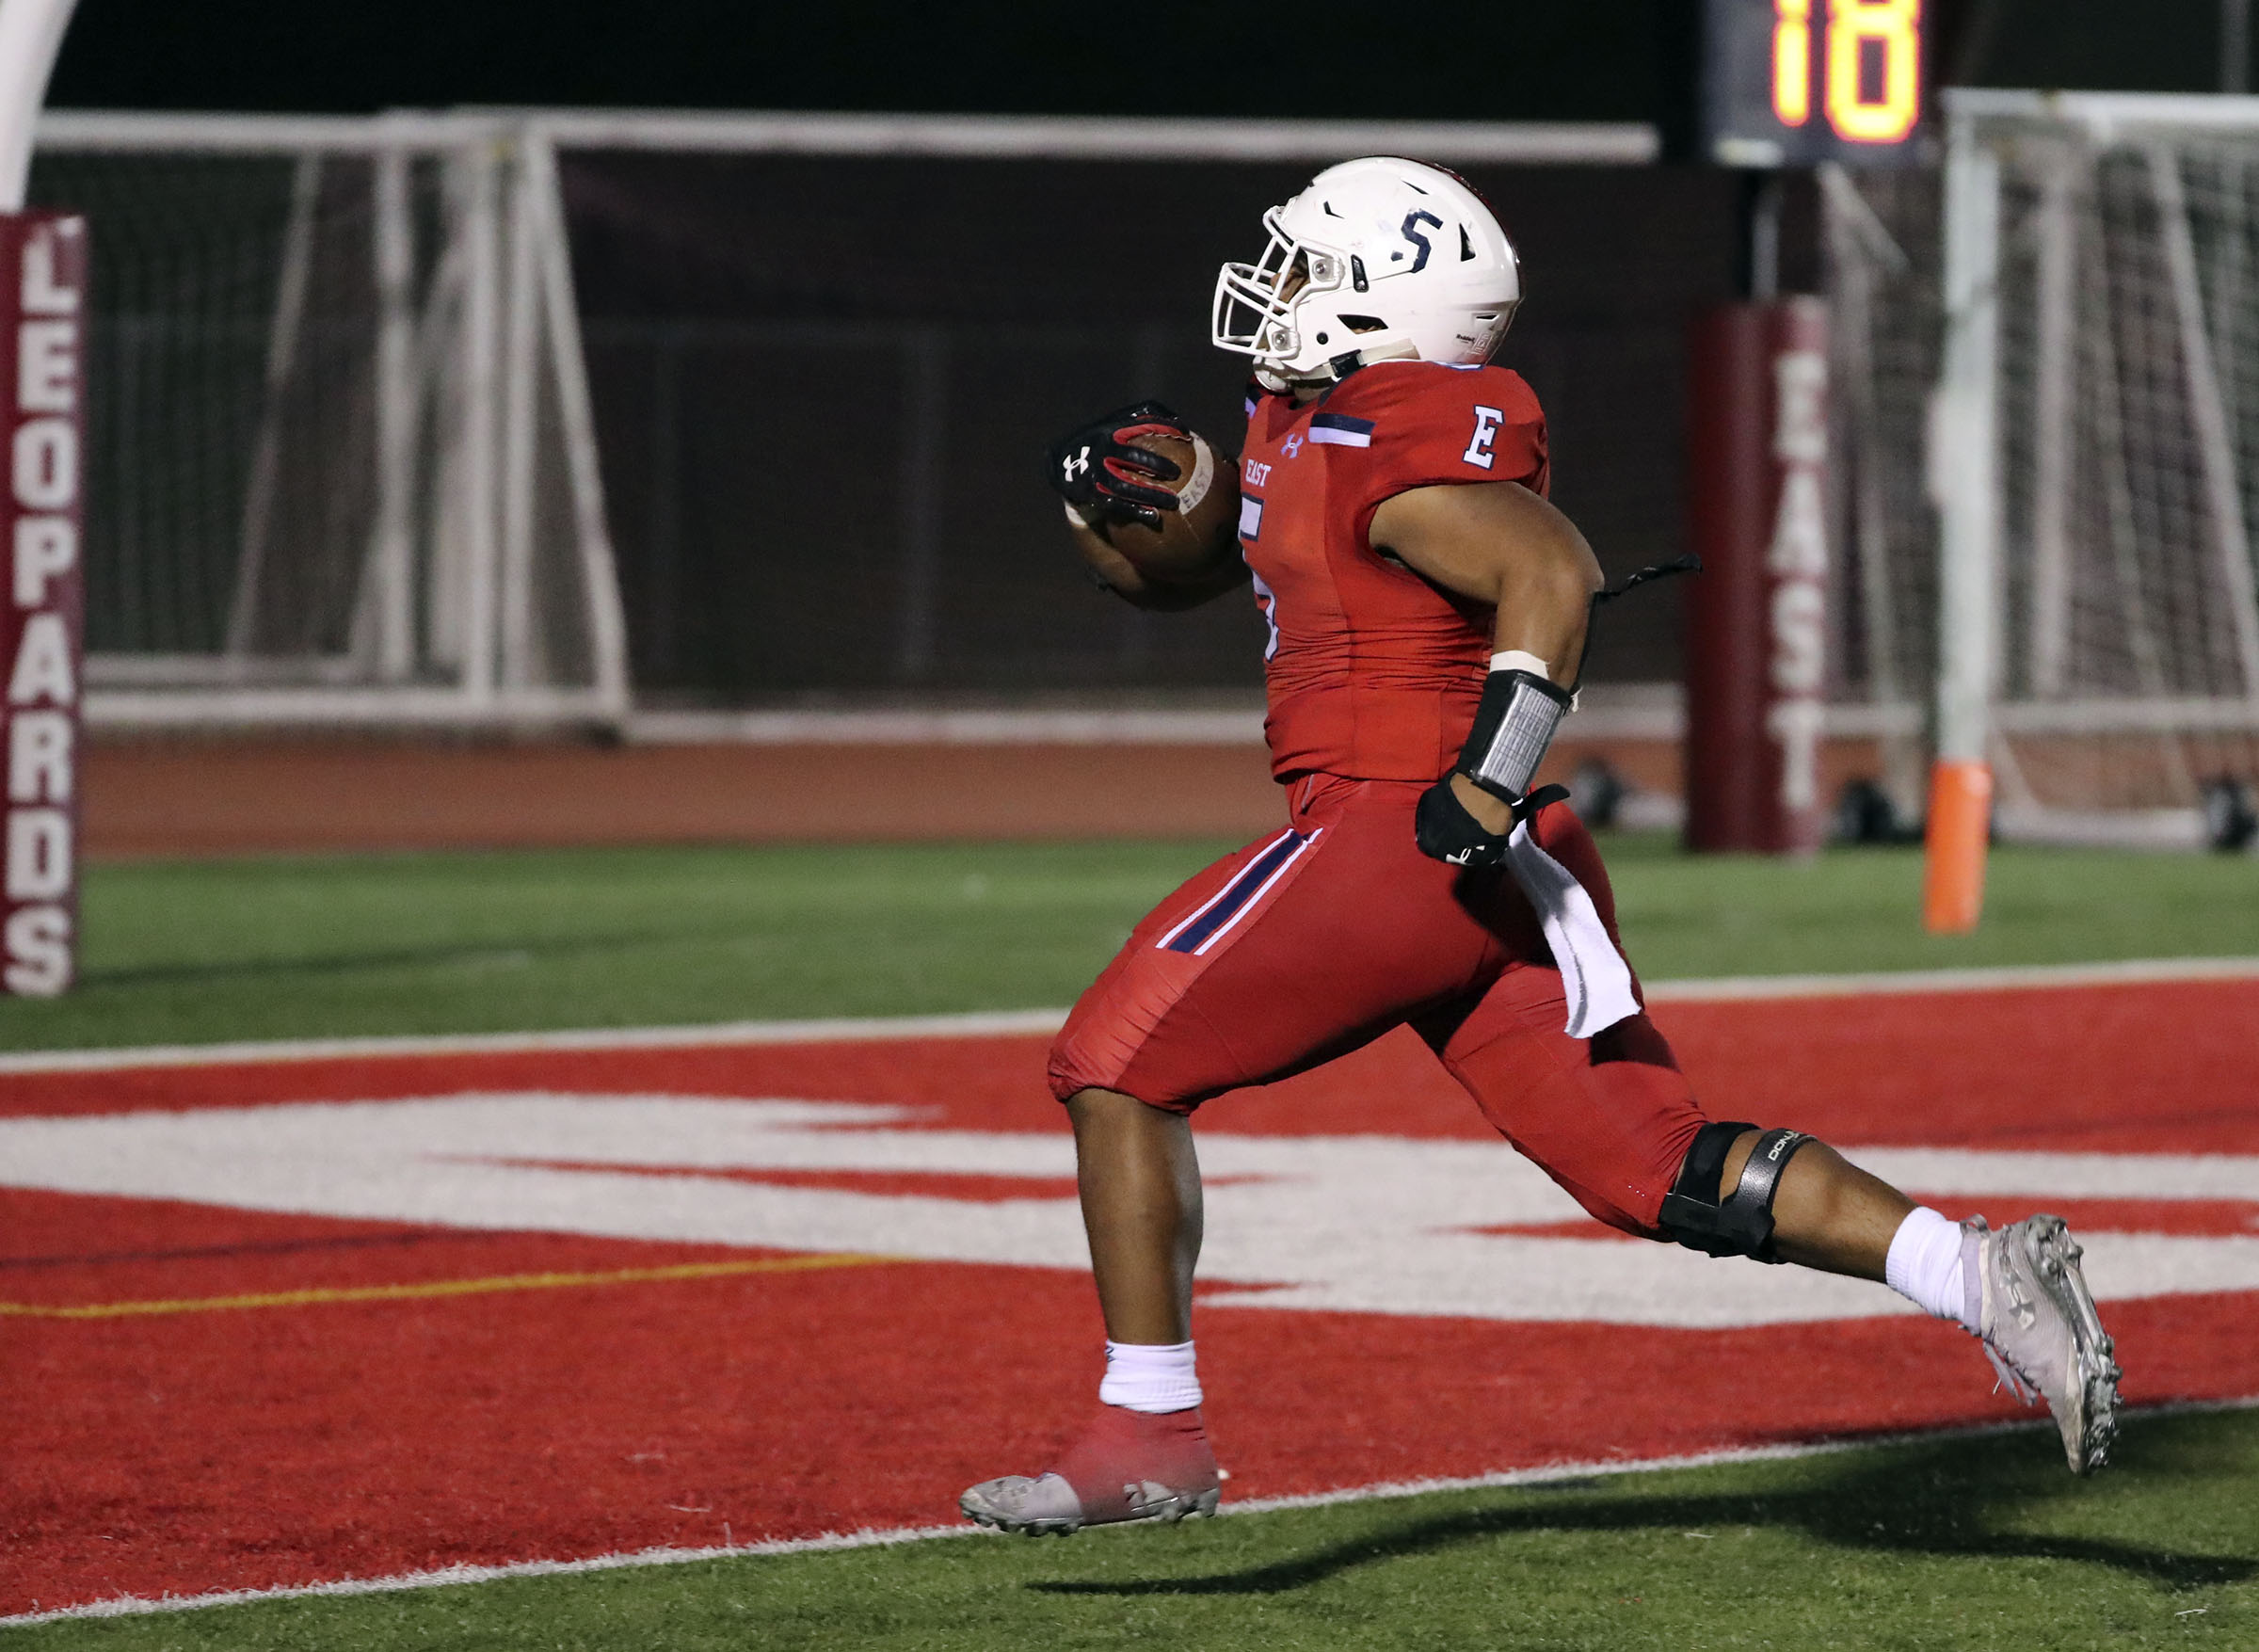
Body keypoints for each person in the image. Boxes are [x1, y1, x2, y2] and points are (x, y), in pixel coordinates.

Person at [959, 157, 2121, 1536]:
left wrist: (1487, 780)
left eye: (1311, 266)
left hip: (1407, 829)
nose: (1279, 289)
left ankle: (1149, 1427)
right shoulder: (1311, 419)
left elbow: (1549, 571)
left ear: (1391, 300)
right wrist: (1128, 500)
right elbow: (1226, 562)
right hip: (1487, 871)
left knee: (1114, 1060)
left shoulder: (1395, 429)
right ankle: (1980, 1273)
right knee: (1653, 1169)